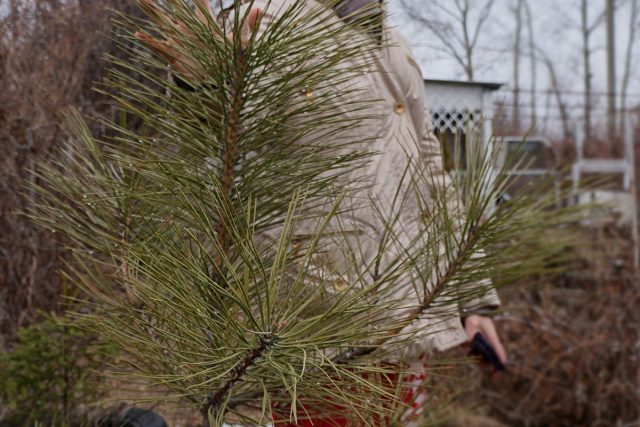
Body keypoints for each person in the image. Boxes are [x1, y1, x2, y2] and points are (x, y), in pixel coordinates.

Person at [136, 0, 507, 423]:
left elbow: (432, 175)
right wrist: (201, 83)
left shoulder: (393, 42)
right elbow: (214, 141)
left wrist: (470, 300)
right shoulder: (264, 22)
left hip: (405, 324)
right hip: (316, 332)